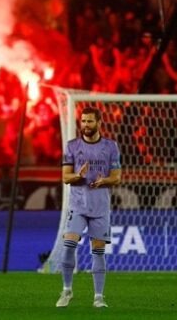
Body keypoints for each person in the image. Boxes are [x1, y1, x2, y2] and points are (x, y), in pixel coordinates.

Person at [57, 106, 122, 309]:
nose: (85, 125)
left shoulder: (111, 147)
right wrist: (79, 176)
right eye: (83, 121)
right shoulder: (72, 146)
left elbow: (117, 177)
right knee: (69, 245)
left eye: (90, 121)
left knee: (98, 251)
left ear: (99, 123)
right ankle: (67, 290)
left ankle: (99, 296)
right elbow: (65, 177)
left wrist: (104, 181)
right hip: (78, 205)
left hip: (100, 207)